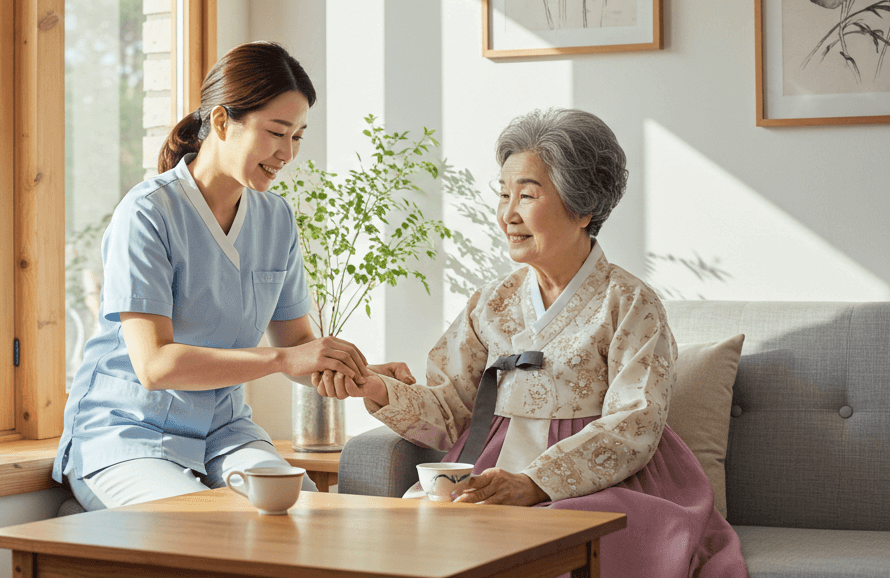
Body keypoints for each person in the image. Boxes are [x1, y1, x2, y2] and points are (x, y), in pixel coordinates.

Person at [317, 108, 748, 577]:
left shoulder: (630, 303)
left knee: (554, 544)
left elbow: (634, 424)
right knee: (411, 540)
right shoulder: (490, 303)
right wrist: (376, 388)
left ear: (583, 208)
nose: (508, 215)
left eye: (526, 195)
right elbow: (451, 412)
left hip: (605, 485)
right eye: (504, 195)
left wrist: (535, 483)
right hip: (488, 476)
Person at [53, 41, 373, 511]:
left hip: (223, 433)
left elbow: (297, 345)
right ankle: (96, 521)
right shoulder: (147, 212)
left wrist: (363, 373)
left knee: (302, 511)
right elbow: (155, 366)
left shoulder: (276, 219)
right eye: (276, 132)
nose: (287, 153)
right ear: (221, 121)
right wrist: (282, 359)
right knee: (201, 527)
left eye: (298, 137)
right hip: (128, 433)